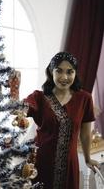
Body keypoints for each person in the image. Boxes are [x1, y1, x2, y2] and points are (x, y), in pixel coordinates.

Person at [24, 52, 99, 189]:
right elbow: (22, 108)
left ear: (75, 73)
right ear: (51, 72)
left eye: (70, 72)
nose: (64, 77)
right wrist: (17, 103)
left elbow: (85, 133)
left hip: (69, 165)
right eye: (59, 71)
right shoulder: (39, 97)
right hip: (42, 163)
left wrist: (87, 159)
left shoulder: (84, 99)